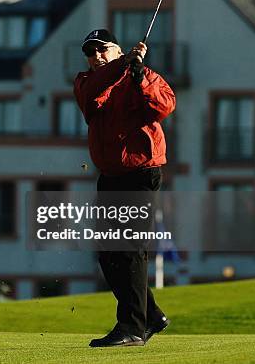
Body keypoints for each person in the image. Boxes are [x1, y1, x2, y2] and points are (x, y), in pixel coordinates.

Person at [73, 29, 176, 347]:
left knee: (129, 249)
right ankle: (151, 315)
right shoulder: (86, 82)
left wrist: (139, 76)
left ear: (118, 51)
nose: (96, 57)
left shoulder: (141, 76)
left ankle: (132, 326)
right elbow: (91, 97)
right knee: (108, 254)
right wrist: (122, 67)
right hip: (110, 177)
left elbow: (165, 106)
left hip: (140, 173)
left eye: (102, 50)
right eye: (91, 52)